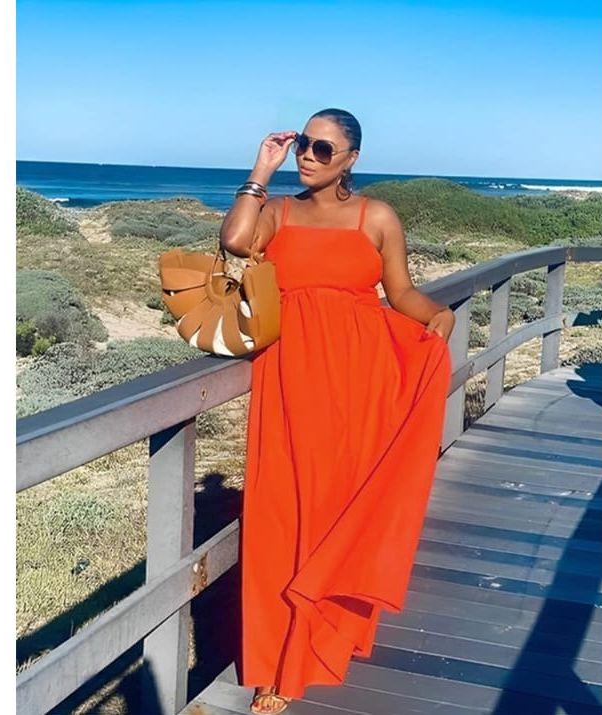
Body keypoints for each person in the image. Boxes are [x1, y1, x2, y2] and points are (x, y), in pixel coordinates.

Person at [220, 108, 454, 714]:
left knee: (333, 512)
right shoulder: (279, 211)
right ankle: (275, 664)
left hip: (358, 384)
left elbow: (400, 293)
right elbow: (236, 242)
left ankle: (315, 641)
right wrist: (260, 170)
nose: (308, 155)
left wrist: (437, 316)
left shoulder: (377, 217)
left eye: (324, 148)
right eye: (304, 143)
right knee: (279, 516)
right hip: (288, 380)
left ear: (352, 158)